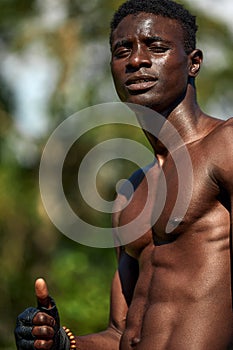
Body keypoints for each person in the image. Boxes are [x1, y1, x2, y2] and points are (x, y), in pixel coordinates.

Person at [15, 0, 233, 349]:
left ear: (193, 63)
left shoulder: (226, 145)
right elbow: (120, 333)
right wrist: (62, 343)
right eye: (122, 51)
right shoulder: (129, 192)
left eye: (157, 47)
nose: (136, 61)